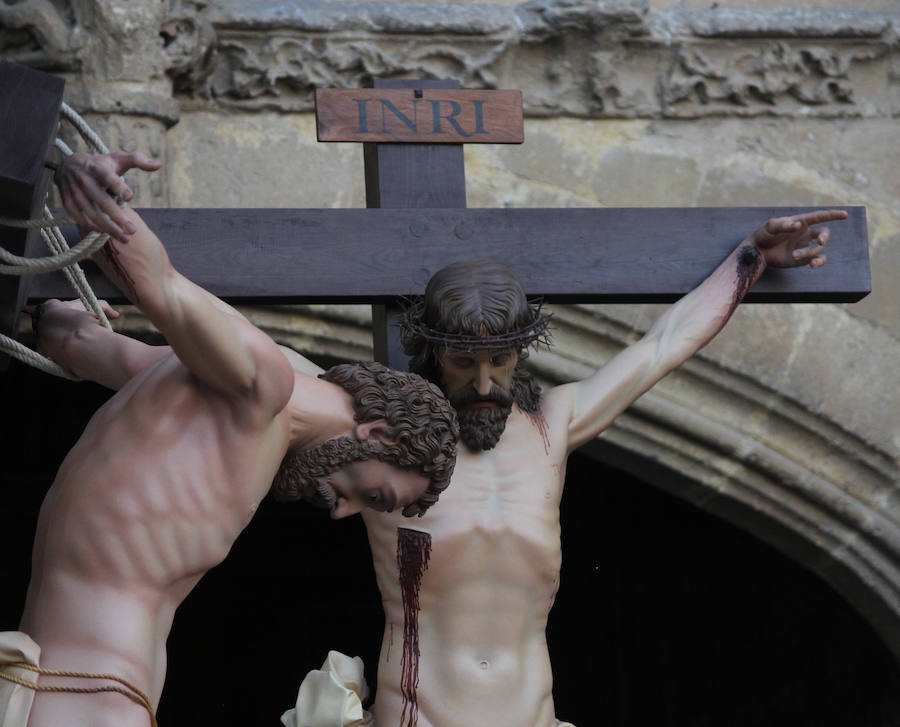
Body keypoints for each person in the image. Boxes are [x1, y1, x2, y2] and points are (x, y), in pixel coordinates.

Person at [0, 151, 458, 727]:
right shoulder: (261, 386)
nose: (345, 511)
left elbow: (86, 346)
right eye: (376, 495)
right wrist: (94, 193)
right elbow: (158, 285)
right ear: (375, 432)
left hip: (56, 685)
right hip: (91, 695)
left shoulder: (205, 391)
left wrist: (54, 321)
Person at [356, 209, 846, 727]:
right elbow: (275, 376)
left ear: (520, 352)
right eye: (464, 361)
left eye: (500, 360)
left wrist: (750, 260)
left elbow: (663, 346)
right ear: (433, 351)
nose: (485, 383)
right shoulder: (379, 438)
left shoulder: (553, 425)